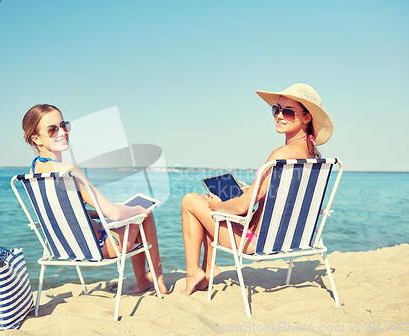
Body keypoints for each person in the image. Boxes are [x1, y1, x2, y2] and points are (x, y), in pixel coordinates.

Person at [180, 83, 334, 295]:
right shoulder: (310, 156)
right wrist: (251, 189)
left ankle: (193, 273)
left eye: (288, 111)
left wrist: (220, 205)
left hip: (256, 242)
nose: (279, 115)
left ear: (307, 118)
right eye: (276, 109)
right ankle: (207, 269)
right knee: (214, 203)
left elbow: (243, 207)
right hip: (291, 239)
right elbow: (275, 198)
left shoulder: (281, 155)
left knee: (191, 201)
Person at [22, 104, 169, 295]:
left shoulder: (34, 172)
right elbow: (114, 213)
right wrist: (135, 209)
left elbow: (65, 212)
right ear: (36, 139)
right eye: (52, 129)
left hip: (66, 249)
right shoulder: (69, 170)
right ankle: (156, 276)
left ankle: (143, 282)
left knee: (127, 216)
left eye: (64, 125)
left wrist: (107, 213)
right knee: (145, 216)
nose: (62, 132)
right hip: (96, 248)